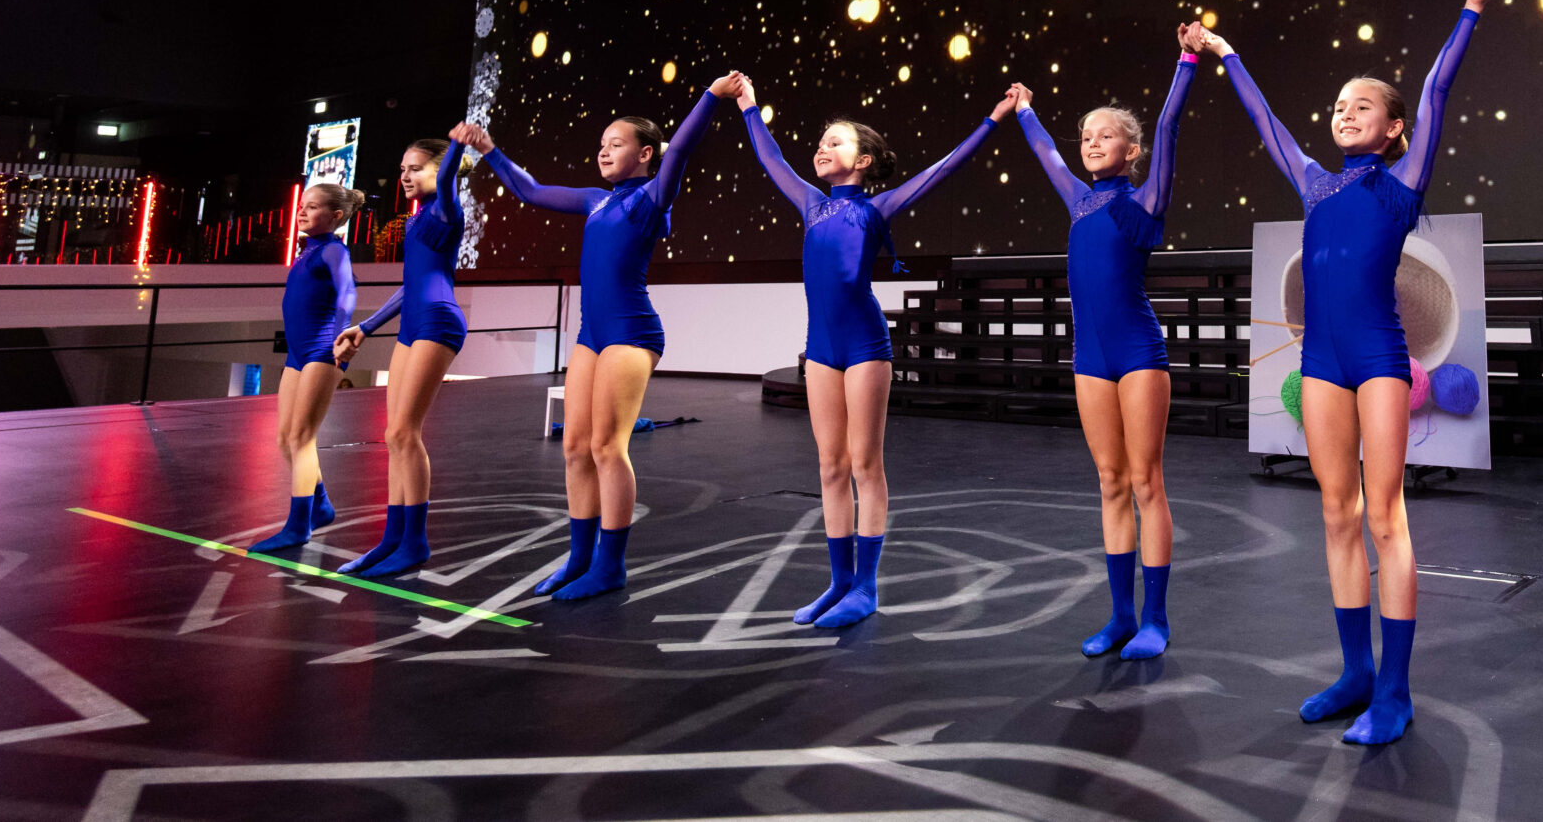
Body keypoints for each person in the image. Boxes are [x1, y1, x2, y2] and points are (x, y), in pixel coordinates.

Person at [1184, 0, 1499, 745]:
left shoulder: (1402, 184)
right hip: (1321, 364)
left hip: (1380, 361)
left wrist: (1470, 10)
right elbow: (1265, 120)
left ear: (1393, 129)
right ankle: (1356, 671)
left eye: (1363, 105)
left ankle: (1395, 689)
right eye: (1338, 105)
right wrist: (1225, 52)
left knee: (1386, 516)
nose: (1345, 112)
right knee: (1335, 512)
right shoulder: (1315, 183)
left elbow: (1436, 90)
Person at [734, 76, 1016, 628]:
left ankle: (866, 587)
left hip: (865, 345)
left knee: (865, 463)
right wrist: (748, 106)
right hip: (821, 348)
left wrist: (994, 119)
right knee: (830, 466)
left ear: (862, 161)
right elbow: (770, 158)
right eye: (821, 141)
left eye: (835, 142)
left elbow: (944, 169)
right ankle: (839, 583)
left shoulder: (877, 209)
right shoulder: (810, 204)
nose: (822, 148)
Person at [459, 75, 738, 601]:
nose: (604, 151)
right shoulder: (595, 201)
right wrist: (490, 150)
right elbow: (529, 190)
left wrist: (711, 95)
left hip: (632, 332)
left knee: (608, 446)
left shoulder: (653, 197)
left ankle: (610, 566)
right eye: (602, 144)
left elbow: (681, 149)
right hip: (592, 333)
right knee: (574, 447)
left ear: (645, 154)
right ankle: (579, 558)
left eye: (616, 144)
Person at [1008, 40, 1197, 660]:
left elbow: (1168, 127)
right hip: (1089, 357)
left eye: (1105, 136)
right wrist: (1026, 110)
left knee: (1145, 481)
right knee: (1111, 481)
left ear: (1131, 151)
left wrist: (1186, 64)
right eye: (1086, 136)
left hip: (1138, 353)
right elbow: (1046, 152)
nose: (1091, 143)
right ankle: (1119, 616)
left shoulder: (1144, 202)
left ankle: (1156, 620)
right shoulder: (1078, 198)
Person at [330, 135, 473, 577]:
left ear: (440, 170)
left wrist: (456, 145)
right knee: (393, 436)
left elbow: (447, 178)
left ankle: (415, 543)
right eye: (402, 170)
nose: (405, 177)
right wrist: (366, 327)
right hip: (412, 322)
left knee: (404, 432)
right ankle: (392, 539)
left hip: (438, 321)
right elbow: (411, 285)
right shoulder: (416, 220)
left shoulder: (447, 208)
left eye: (415, 168)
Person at [246, 183, 362, 553]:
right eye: (302, 205)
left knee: (302, 437)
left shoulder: (334, 250)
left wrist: (343, 336)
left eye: (312, 207)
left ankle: (298, 526)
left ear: (336, 216)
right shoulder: (306, 251)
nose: (302, 211)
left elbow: (347, 292)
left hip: (322, 349)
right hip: (296, 353)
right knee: (285, 438)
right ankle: (321, 505)